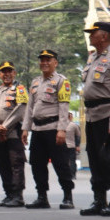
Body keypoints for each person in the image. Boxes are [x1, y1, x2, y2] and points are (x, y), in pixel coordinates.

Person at [79, 22, 110, 217]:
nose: (90, 36)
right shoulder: (92, 57)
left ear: (105, 36)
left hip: (108, 114)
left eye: (93, 33)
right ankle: (99, 199)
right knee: (95, 157)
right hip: (91, 116)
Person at [21, 49, 74, 209]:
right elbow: (30, 107)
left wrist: (62, 129)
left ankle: (67, 197)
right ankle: (42, 197)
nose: (44, 63)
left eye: (48, 60)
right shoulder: (35, 82)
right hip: (37, 130)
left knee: (61, 164)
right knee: (37, 164)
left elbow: (64, 106)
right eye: (42, 60)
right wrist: (25, 128)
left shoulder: (61, 81)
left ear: (55, 63)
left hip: (53, 129)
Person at [0, 61, 27, 207]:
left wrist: (4, 127)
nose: (7, 74)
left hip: (13, 132)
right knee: (2, 164)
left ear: (14, 73)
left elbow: (20, 110)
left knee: (16, 164)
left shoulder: (20, 89)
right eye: (4, 72)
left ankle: (17, 196)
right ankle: (8, 194)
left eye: (9, 71)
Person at [65, 112, 81, 180]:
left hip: (62, 146)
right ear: (70, 117)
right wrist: (77, 146)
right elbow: (78, 136)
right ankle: (73, 175)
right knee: (72, 160)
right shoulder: (74, 125)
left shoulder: (60, 125)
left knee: (64, 161)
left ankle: (65, 175)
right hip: (72, 146)